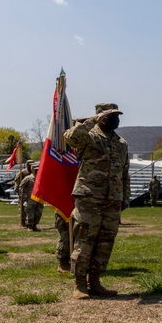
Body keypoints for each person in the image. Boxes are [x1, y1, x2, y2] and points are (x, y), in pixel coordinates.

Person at [63, 103, 130, 298]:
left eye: (117, 115)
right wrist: (91, 120)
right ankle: (79, 283)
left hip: (112, 199)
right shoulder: (88, 137)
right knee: (85, 239)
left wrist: (124, 197)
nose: (116, 119)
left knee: (105, 240)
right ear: (100, 117)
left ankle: (95, 281)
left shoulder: (121, 143)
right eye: (111, 116)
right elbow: (70, 138)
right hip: (89, 197)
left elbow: (124, 173)